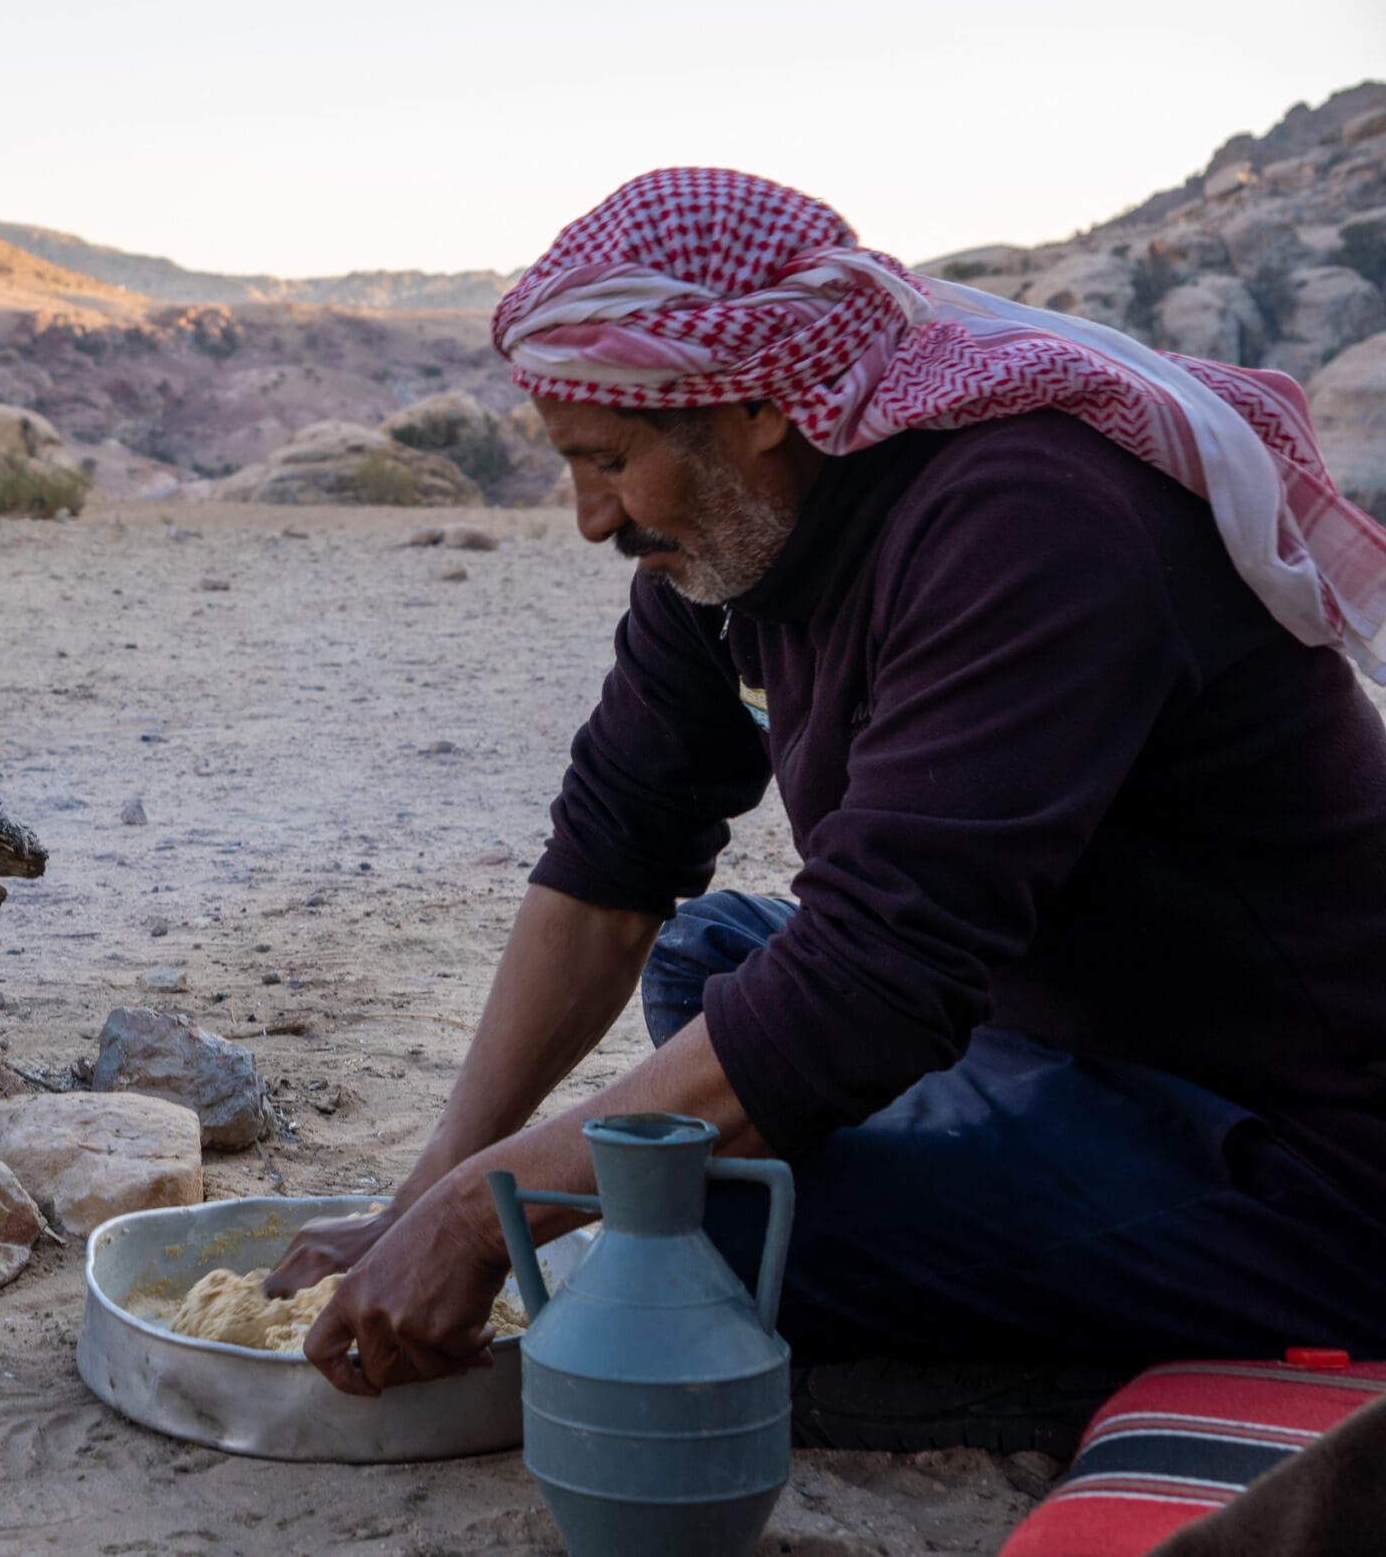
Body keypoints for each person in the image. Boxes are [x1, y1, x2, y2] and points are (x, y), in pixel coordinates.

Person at [265, 169, 1386, 1435]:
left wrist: (489, 1216)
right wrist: (428, 1195)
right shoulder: (723, 546)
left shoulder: (1029, 520)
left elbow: (874, 981)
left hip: (1288, 1148)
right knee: (708, 957)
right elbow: (608, 869)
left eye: (609, 461)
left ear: (757, 405)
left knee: (702, 1247)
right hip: (1041, 1041)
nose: (589, 518)